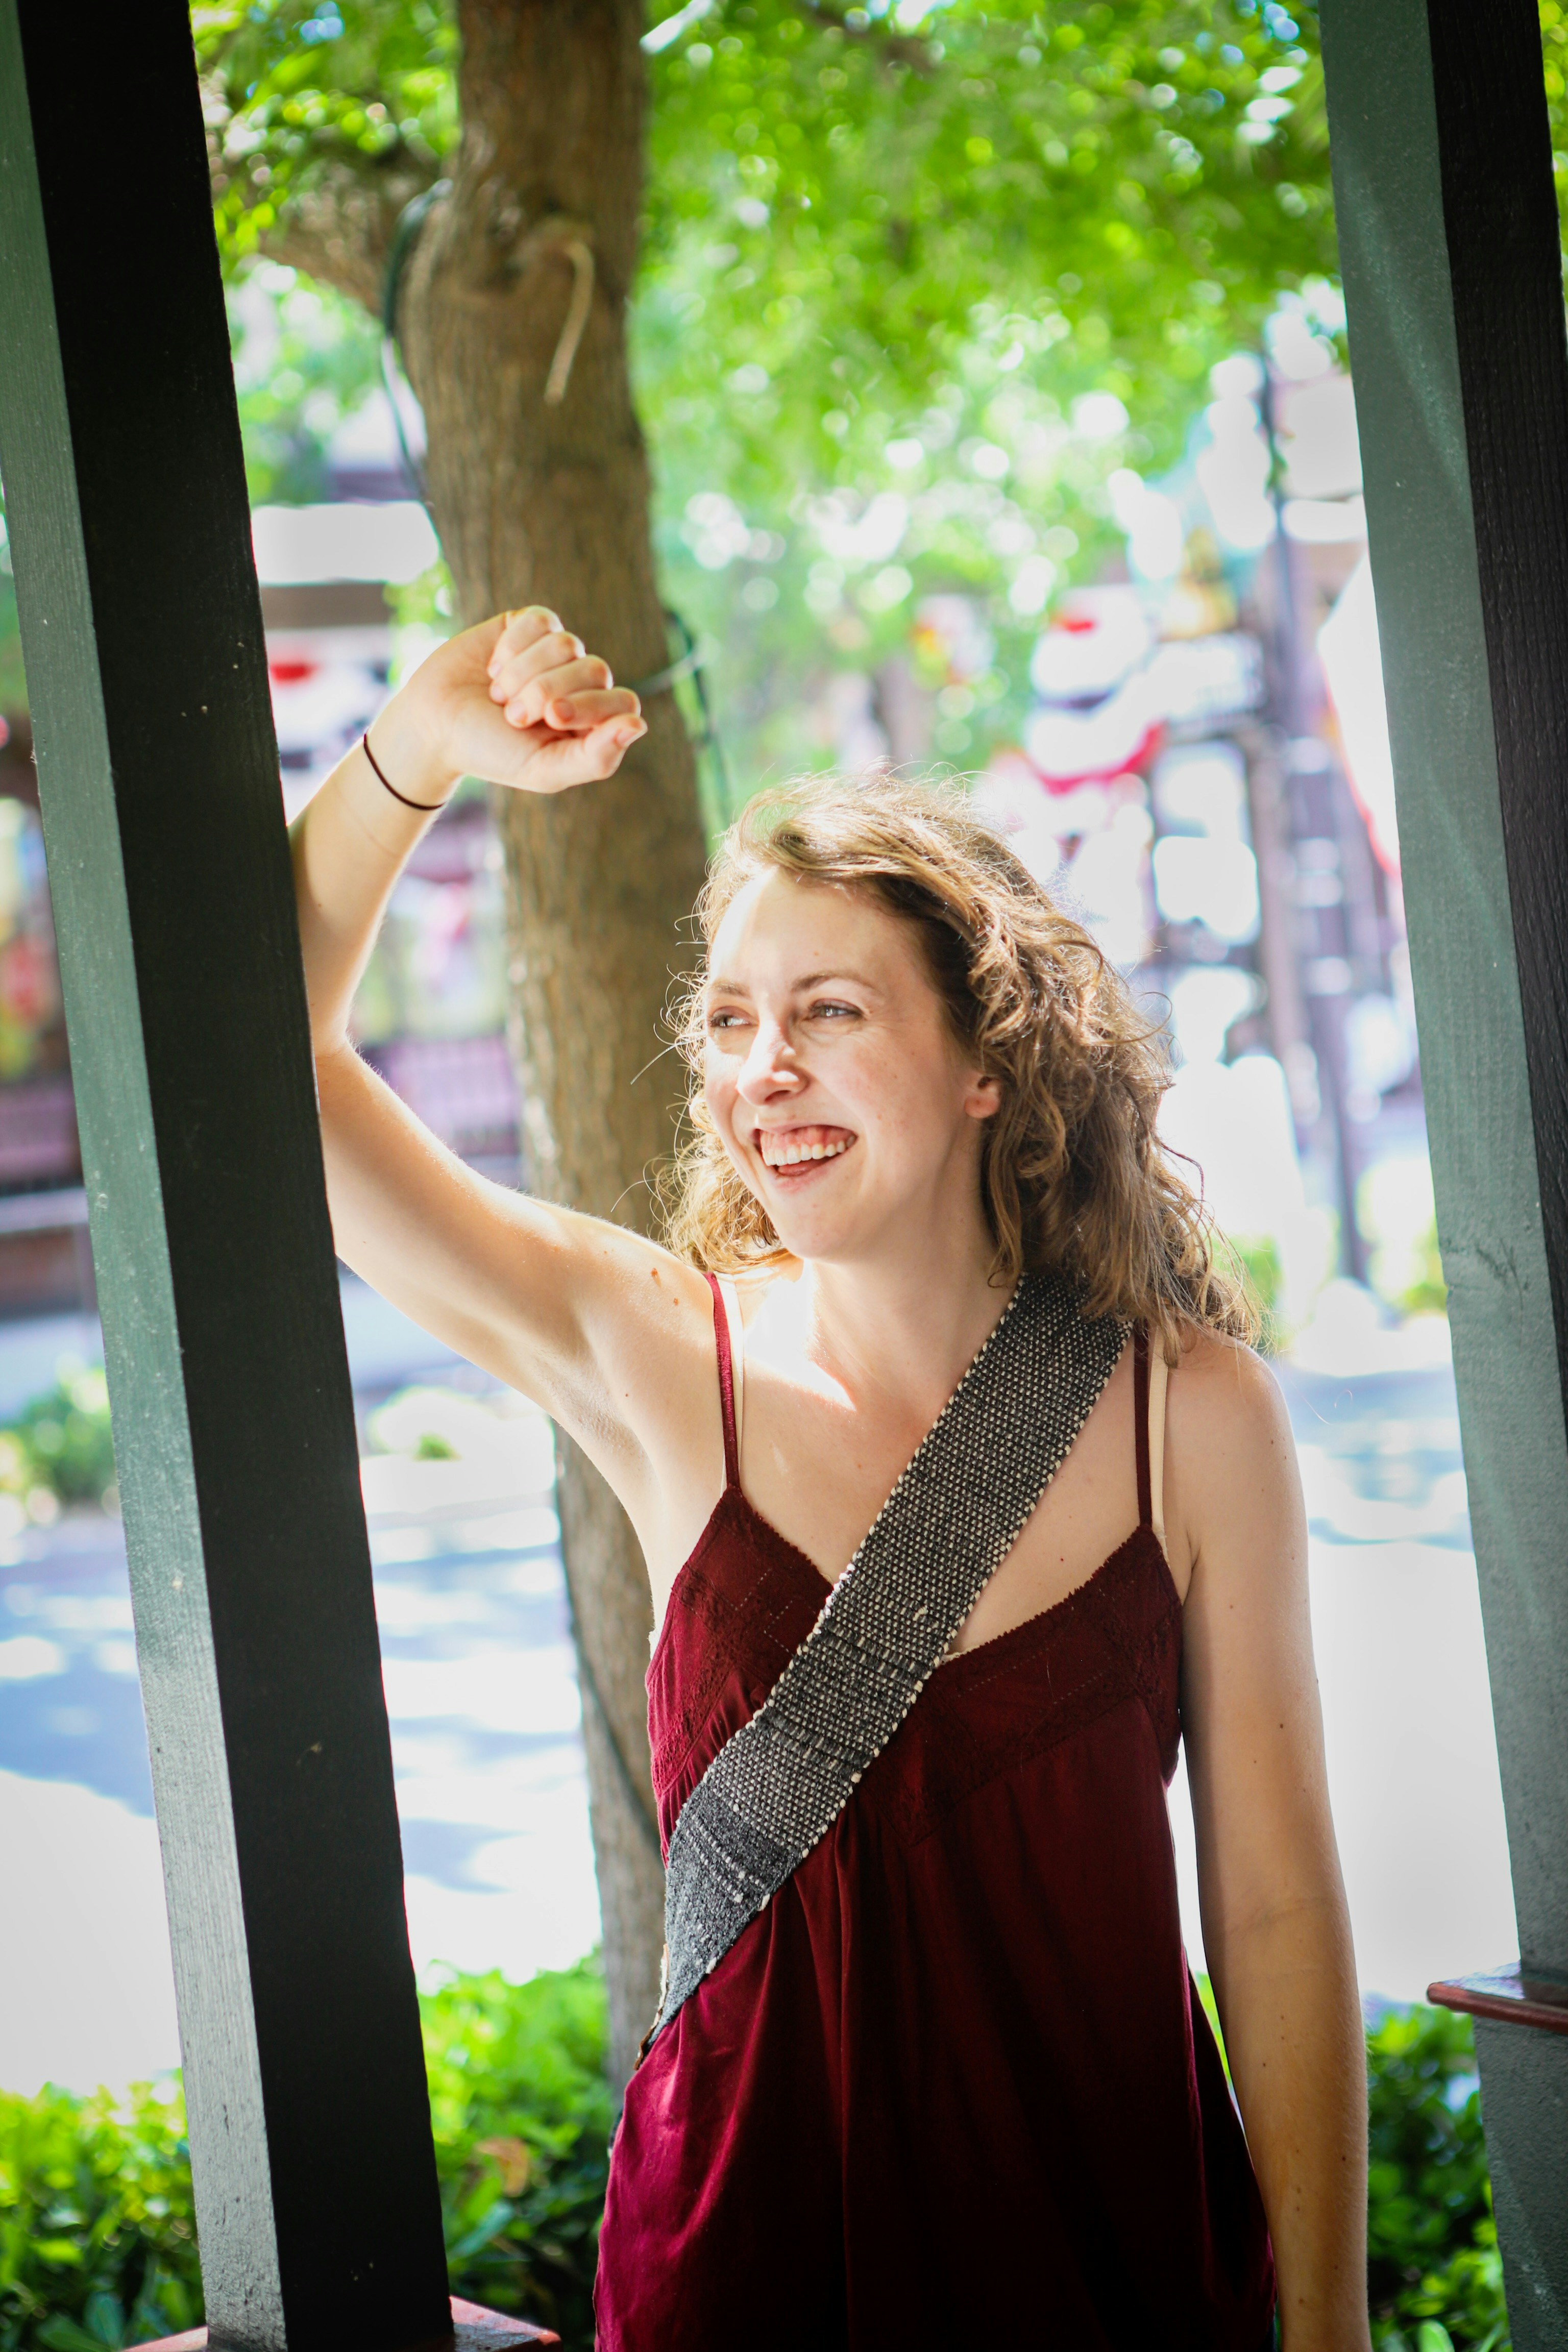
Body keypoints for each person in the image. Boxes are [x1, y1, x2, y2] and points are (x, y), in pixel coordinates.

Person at [292, 605, 1370, 2352]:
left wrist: (1325, 2333)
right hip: (742, 2285)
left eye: (827, 1010)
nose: (756, 1070)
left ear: (986, 1060)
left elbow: (1277, 1905)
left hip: (1117, 2285)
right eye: (726, 1021)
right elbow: (262, 1060)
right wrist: (415, 753)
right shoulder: (659, 1356)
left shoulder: (1195, 1417)